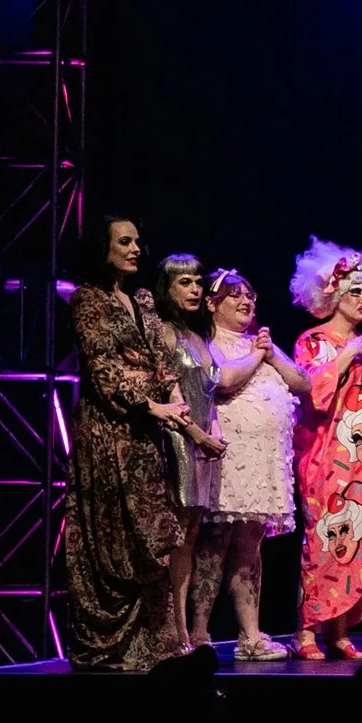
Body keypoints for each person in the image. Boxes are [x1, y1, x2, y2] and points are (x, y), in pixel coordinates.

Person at [62, 216, 191, 670]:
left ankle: (154, 643)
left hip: (144, 437)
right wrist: (150, 405)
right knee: (113, 529)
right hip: (108, 431)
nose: (136, 247)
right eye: (125, 241)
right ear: (104, 249)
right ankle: (110, 643)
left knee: (151, 531)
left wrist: (173, 401)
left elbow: (161, 360)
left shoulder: (141, 300)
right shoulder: (87, 300)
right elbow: (103, 368)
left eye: (138, 240)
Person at [288, 238, 362, 662]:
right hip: (326, 461)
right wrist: (345, 356)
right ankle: (306, 630)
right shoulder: (313, 342)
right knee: (321, 543)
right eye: (353, 292)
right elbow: (310, 393)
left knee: (357, 544)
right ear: (332, 295)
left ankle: (338, 631)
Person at [197, 266, 309, 661]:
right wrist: (257, 354)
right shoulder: (205, 342)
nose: (246, 302)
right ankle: (197, 635)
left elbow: (302, 383)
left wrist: (269, 351)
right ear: (212, 304)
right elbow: (223, 380)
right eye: (235, 296)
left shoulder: (259, 343)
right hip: (226, 461)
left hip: (262, 465)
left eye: (250, 296)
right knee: (213, 546)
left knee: (250, 548)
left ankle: (250, 635)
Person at [151, 254, 230, 650]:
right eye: (184, 282)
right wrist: (199, 435)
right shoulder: (166, 333)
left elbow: (209, 394)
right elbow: (170, 393)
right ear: (167, 289)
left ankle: (181, 628)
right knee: (175, 536)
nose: (195, 289)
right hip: (178, 442)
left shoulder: (198, 336)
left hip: (202, 447)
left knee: (191, 536)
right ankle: (172, 629)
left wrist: (213, 434)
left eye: (198, 281)